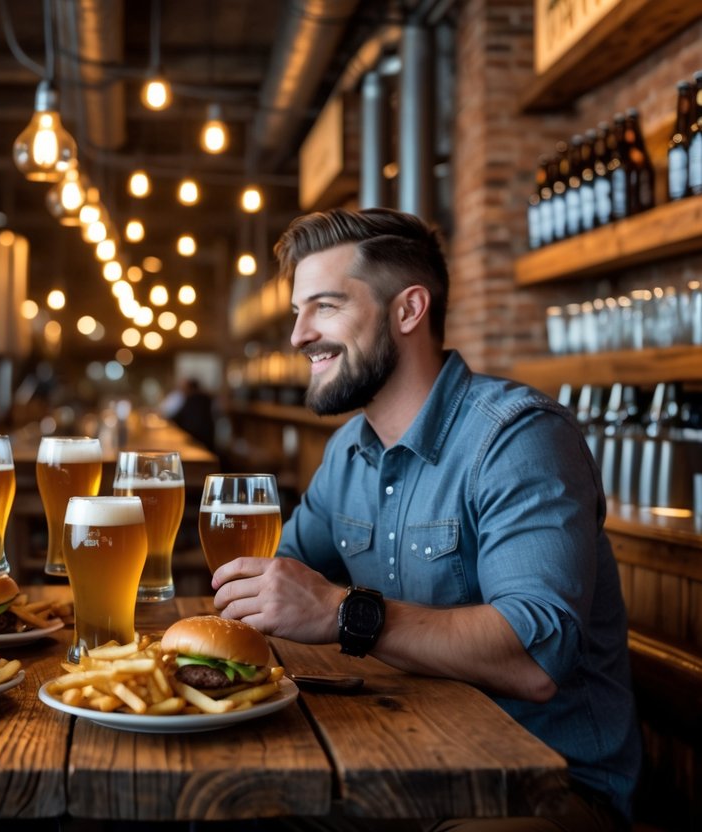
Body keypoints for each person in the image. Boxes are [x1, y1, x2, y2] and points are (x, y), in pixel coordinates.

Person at [211, 209, 639, 831]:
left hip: (541, 790)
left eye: (324, 307)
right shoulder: (348, 452)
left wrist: (341, 613)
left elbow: (536, 659)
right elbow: (278, 584)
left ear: (409, 310)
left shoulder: (517, 438)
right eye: (297, 312)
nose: (299, 335)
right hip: (399, 761)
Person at [161, 377, 217, 451]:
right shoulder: (205, 398)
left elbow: (180, 417)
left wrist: (166, 419)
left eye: (184, 388)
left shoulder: (193, 400)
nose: (182, 390)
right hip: (208, 441)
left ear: (190, 388)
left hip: (197, 442)